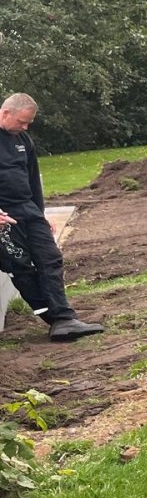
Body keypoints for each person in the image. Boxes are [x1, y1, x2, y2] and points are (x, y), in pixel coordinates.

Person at [0, 93, 102, 341]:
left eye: (29, 123)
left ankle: (65, 318)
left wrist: (40, 213)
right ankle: (55, 319)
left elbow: (32, 179)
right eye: (22, 122)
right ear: (5, 113)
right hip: (4, 216)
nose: (25, 127)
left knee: (51, 258)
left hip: (28, 210)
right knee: (21, 266)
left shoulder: (23, 140)